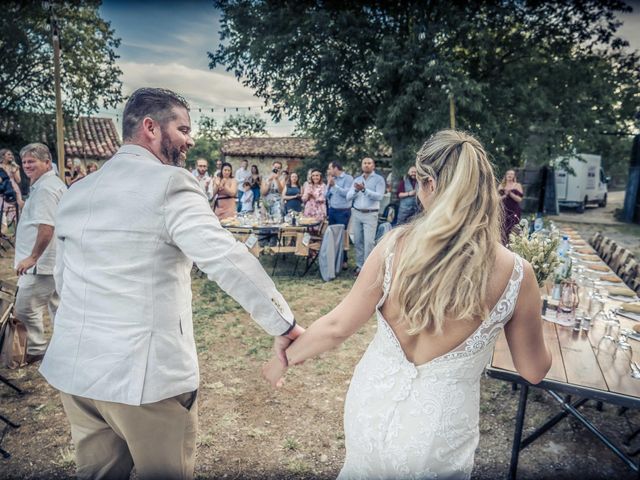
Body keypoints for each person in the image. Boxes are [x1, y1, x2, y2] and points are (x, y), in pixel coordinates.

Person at [39, 87, 303, 480]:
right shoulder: (170, 183)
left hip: (77, 375)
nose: (190, 139)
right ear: (150, 127)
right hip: (143, 382)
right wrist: (284, 323)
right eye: (182, 128)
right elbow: (224, 257)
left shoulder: (77, 191)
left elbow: (63, 275)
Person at [263, 129, 551, 479]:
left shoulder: (394, 245)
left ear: (429, 184)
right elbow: (533, 370)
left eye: (418, 182)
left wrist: (285, 357)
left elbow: (337, 327)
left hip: (371, 407)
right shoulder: (518, 274)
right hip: (438, 436)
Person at [14, 143, 66, 364]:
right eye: (24, 162)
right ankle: (64, 346)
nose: (27, 166)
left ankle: (35, 349)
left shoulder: (46, 188)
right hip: (50, 261)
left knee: (25, 307)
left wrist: (32, 257)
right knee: (57, 306)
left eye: (31, 161)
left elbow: (47, 227)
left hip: (41, 263)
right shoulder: (47, 184)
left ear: (47, 162)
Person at [346, 157, 385, 276]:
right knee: (358, 242)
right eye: (364, 163)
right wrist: (356, 191)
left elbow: (379, 196)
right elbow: (348, 196)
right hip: (357, 213)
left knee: (369, 243)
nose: (366, 165)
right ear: (362, 165)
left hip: (370, 213)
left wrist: (364, 190)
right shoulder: (357, 179)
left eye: (369, 163)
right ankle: (359, 267)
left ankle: (368, 270)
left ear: (373, 166)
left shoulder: (379, 179)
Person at [327, 161, 354, 267]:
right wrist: (329, 187)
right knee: (332, 236)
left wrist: (335, 186)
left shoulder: (348, 179)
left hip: (343, 211)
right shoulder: (332, 179)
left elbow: (347, 194)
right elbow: (327, 194)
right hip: (332, 210)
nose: (329, 171)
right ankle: (333, 259)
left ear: (335, 168)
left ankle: (344, 260)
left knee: (342, 236)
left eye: (330, 168)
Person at [499, 169, 524, 244]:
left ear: (514, 176)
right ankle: (502, 243)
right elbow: (496, 199)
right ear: (506, 175)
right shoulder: (501, 185)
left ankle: (512, 244)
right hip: (503, 210)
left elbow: (519, 199)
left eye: (511, 174)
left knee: (513, 228)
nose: (510, 175)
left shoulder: (517, 185)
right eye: (508, 174)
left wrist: (510, 194)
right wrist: (505, 195)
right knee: (502, 227)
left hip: (514, 211)